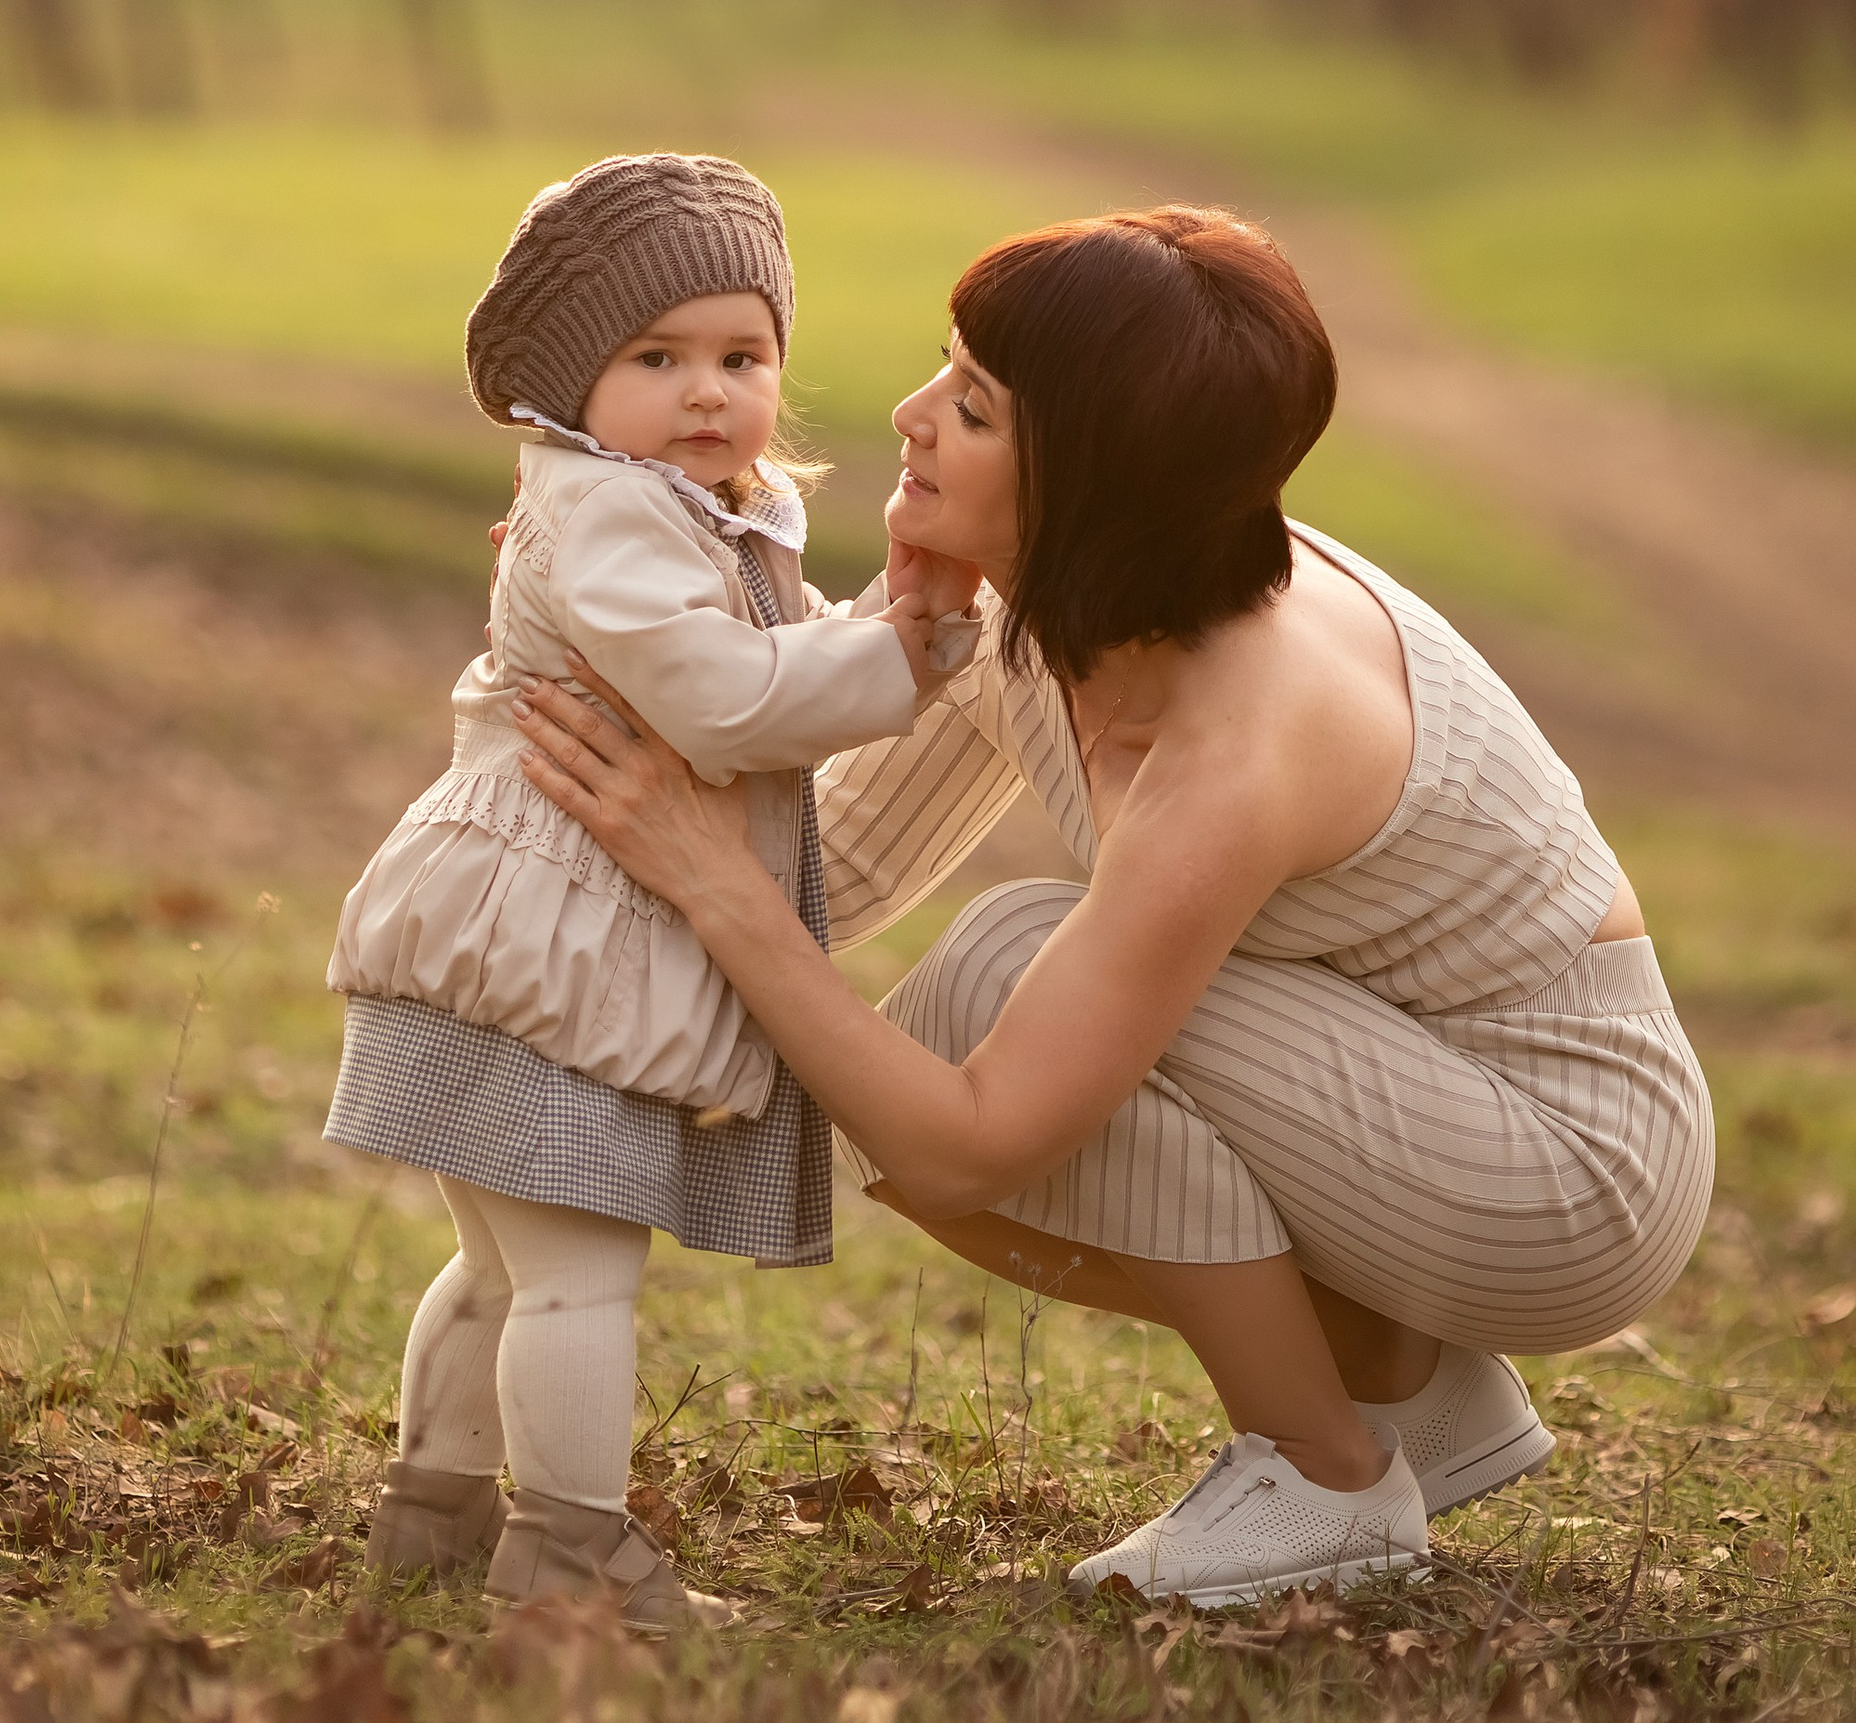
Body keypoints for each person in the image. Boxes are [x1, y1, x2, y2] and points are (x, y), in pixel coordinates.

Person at [515, 204, 1717, 1612]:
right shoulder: (1066, 596)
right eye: (942, 370)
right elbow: (835, 858)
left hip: (1566, 1167)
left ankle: (1328, 1472)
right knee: (958, 1006)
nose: (907, 416)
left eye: (969, 407)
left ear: (1085, 475)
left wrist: (719, 887)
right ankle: (1401, 1383)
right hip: (1402, 1080)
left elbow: (965, 1142)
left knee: (992, 990)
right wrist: (595, 565)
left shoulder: (1236, 742)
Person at [322, 153, 965, 1629]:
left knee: (500, 1263)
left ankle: (432, 1512)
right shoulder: (607, 517)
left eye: (742, 356)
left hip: (519, 936)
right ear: (567, 386)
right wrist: (907, 656)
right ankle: (569, 1558)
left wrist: (883, 618)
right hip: (547, 951)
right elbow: (731, 703)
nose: (707, 391)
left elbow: (782, 654)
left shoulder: (698, 511)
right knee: (573, 1275)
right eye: (657, 356)